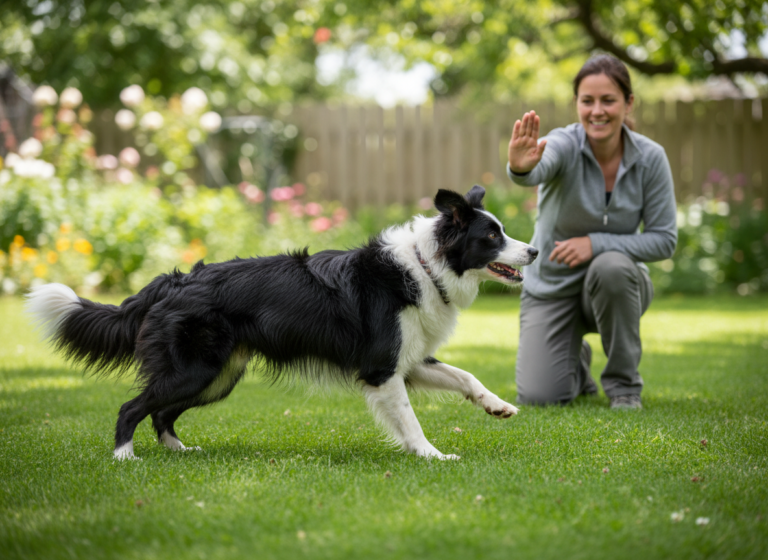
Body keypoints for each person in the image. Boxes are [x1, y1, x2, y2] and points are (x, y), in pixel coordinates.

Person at [506, 54, 677, 409]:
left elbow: (664, 239)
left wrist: (595, 244)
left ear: (628, 103)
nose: (597, 111)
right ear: (577, 104)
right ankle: (575, 356)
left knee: (611, 265)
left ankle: (624, 386)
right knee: (541, 397)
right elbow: (540, 165)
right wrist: (521, 169)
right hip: (552, 289)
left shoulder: (651, 158)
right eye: (587, 101)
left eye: (608, 100)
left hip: (616, 285)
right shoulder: (564, 144)